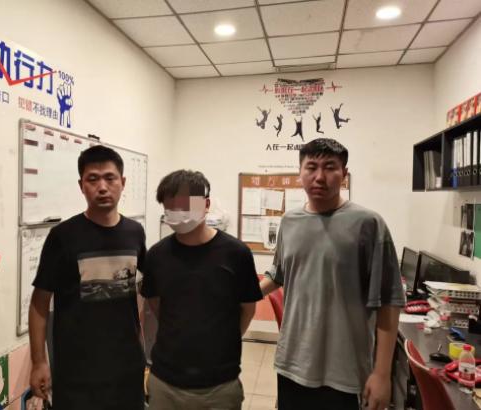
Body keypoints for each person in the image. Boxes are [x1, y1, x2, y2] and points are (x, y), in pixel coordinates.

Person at [260, 138, 405, 410]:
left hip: (344, 371)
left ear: (344, 173)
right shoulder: (289, 221)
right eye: (311, 167)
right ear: (300, 172)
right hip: (292, 363)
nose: (319, 177)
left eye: (329, 167)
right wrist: (235, 293)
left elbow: (389, 300)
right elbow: (279, 274)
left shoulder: (369, 224)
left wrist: (382, 374)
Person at [28, 145, 146, 409]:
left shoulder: (135, 232)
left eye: (110, 178)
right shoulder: (62, 236)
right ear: (81, 185)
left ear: (123, 182)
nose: (102, 187)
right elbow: (39, 303)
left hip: (127, 366)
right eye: (93, 179)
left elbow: (145, 291)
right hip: (77, 371)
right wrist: (39, 361)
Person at [141, 170, 262, 410]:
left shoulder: (236, 253)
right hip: (165, 381)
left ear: (206, 205)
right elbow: (156, 306)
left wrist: (221, 341)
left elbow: (247, 308)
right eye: (171, 207)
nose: (179, 214)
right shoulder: (156, 255)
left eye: (186, 206)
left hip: (220, 384)